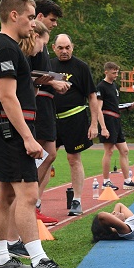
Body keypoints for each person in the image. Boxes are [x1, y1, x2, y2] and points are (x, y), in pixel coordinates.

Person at [0, 0, 69, 268]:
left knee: (4, 193)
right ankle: (38, 261)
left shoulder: (3, 46)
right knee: (28, 194)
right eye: (31, 17)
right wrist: (28, 138)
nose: (34, 23)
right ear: (13, 15)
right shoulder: (6, 48)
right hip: (11, 129)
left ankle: (0, 259)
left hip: (3, 128)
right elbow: (8, 97)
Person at [50, 33, 107, 216]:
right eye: (60, 48)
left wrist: (93, 124)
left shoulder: (81, 67)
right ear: (53, 48)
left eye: (67, 47)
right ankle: (34, 201)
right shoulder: (48, 65)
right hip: (51, 119)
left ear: (72, 47)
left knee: (73, 159)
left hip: (74, 118)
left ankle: (76, 200)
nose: (64, 51)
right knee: (45, 159)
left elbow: (92, 96)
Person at [29, 0, 70, 226]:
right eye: (52, 20)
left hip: (46, 103)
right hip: (38, 102)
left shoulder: (41, 42)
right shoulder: (31, 39)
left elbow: (39, 73)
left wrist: (57, 80)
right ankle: (26, 201)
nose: (54, 25)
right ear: (40, 16)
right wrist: (54, 82)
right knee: (37, 155)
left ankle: (33, 203)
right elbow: (29, 74)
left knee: (51, 154)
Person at [96, 62, 134, 190]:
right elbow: (98, 109)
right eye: (113, 72)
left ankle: (127, 180)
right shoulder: (101, 87)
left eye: (117, 72)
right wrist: (103, 127)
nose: (116, 74)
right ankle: (106, 181)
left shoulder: (114, 87)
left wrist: (128, 107)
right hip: (108, 121)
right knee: (109, 151)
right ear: (106, 72)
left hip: (116, 120)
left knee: (125, 150)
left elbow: (114, 106)